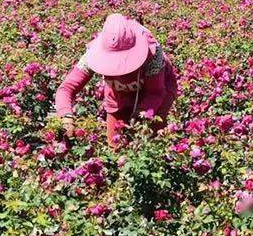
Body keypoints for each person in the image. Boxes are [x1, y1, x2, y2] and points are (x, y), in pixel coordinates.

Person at [55, 13, 177, 147]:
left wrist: (140, 118)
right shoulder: (92, 56)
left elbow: (155, 93)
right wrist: (66, 117)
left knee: (149, 141)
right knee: (115, 145)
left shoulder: (153, 53)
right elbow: (66, 89)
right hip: (118, 94)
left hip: (157, 92)